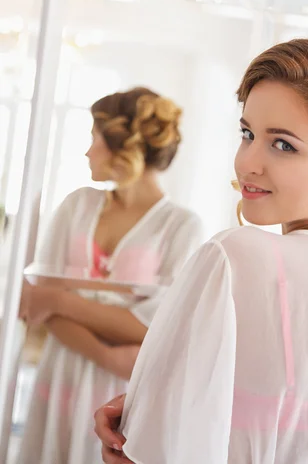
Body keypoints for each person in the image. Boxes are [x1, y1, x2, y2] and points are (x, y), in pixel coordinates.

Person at [95, 33, 308, 464]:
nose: (247, 163)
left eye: (283, 144)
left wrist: (142, 424)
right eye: (247, 133)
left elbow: (146, 452)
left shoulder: (235, 258)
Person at [17, 87, 204, 464]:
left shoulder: (182, 226)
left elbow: (158, 327)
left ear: (122, 147)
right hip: (57, 380)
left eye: (93, 138)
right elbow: (35, 301)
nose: (87, 151)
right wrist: (105, 351)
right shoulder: (76, 205)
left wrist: (61, 300)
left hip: (122, 397)